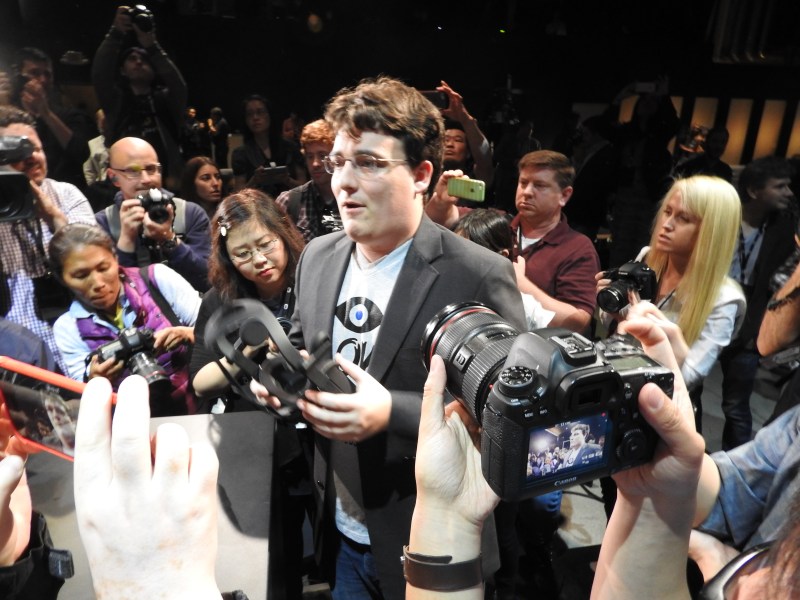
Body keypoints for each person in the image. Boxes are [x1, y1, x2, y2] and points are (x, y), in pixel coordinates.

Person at [251, 76, 525, 600]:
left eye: (370, 163)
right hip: (342, 526)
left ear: (422, 174)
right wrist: (280, 377)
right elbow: (300, 339)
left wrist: (390, 412)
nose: (343, 182)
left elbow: (510, 411)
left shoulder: (477, 271)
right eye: (338, 163)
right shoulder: (318, 255)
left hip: (434, 534)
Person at [189, 189, 310, 598]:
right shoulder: (221, 301)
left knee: (332, 545)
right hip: (264, 445)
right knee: (279, 554)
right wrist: (246, 353)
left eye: (265, 245)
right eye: (242, 254)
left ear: (284, 235)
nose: (258, 260)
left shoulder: (316, 279)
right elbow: (199, 381)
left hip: (324, 434)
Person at [599, 175, 746, 428]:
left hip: (662, 413)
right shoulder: (649, 257)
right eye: (667, 211)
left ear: (712, 231)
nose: (666, 224)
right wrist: (611, 304)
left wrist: (660, 336)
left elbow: (688, 378)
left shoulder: (724, 299)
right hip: (615, 389)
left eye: (683, 218)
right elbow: (611, 322)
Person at [50, 223, 200, 416]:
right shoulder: (68, 328)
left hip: (197, 403)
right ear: (62, 279)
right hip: (132, 420)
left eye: (104, 268)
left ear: (115, 258)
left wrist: (186, 333)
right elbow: (85, 390)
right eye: (81, 275)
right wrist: (95, 379)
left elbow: (213, 331)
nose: (98, 283)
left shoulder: (157, 279)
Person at [0, 106, 96, 373]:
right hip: (13, 358)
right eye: (17, 151)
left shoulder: (66, 195)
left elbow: (94, 261)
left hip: (78, 350)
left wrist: (52, 216)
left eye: (36, 148)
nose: (31, 157)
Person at [716, 157, 797, 449]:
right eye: (780, 186)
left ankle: (734, 466)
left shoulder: (786, 229)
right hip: (713, 313)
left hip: (750, 326)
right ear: (753, 190)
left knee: (736, 407)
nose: (789, 193)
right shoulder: (722, 219)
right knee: (688, 394)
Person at [95, 136, 212, 292]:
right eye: (133, 171)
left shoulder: (189, 213)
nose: (146, 179)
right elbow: (108, 293)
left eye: (151, 169)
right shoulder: (102, 224)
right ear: (113, 177)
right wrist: (126, 240)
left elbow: (209, 281)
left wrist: (169, 240)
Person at [91, 5, 187, 187]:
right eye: (131, 59)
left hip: (166, 182)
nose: (138, 61)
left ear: (154, 69)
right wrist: (115, 33)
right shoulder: (116, 100)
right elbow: (100, 74)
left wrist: (151, 46)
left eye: (144, 59)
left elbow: (178, 85)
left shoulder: (165, 101)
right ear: (122, 70)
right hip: (125, 185)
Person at [510, 150, 601, 333]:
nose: (527, 192)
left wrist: (520, 284)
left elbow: (578, 322)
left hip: (541, 354)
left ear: (564, 195)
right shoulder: (499, 226)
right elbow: (449, 218)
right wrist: (442, 203)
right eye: (523, 183)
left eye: (539, 185)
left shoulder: (578, 248)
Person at [453, 209, 554, 331]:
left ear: (502, 256)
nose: (460, 261)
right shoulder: (448, 289)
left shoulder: (526, 307)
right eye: (456, 251)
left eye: (469, 254)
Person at [11, 46, 93, 191]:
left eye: (47, 74)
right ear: (19, 77)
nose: (43, 79)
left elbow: (81, 153)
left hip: (66, 193)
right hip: (19, 192)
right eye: (35, 73)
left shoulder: (70, 115)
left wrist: (45, 113)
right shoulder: (10, 117)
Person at [275, 119, 341, 243]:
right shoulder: (289, 202)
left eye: (322, 156)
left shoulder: (352, 198)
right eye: (310, 157)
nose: (315, 163)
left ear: (337, 157)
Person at [230, 94, 306, 197]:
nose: (255, 117)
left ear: (270, 114)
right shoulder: (240, 154)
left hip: (290, 206)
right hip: (256, 208)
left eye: (260, 112)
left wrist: (287, 180)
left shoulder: (290, 148)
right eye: (249, 114)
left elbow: (304, 187)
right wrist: (254, 181)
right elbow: (237, 195)